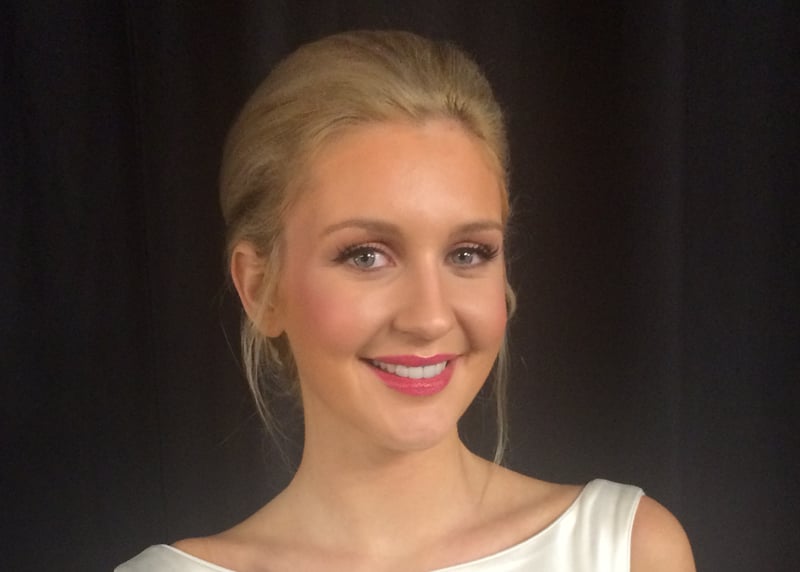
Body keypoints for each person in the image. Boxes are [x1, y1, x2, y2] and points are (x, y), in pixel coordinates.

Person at [117, 30, 695, 571]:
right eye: (366, 256)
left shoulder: (626, 551)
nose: (430, 318)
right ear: (258, 289)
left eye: (467, 253)